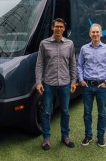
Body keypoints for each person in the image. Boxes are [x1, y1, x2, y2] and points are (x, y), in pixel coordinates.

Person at [35, 18, 77, 151]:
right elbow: (39, 64)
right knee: (46, 112)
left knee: (65, 112)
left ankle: (65, 137)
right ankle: (46, 139)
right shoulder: (44, 44)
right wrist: (38, 82)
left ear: (64, 29)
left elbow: (73, 64)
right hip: (48, 83)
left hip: (65, 83)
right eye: (56, 26)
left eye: (61, 27)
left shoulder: (70, 44)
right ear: (52, 28)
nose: (59, 29)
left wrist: (74, 81)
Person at [77, 23, 106, 148]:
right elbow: (79, 65)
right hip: (87, 85)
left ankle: (100, 136)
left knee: (102, 113)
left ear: (101, 33)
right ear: (90, 34)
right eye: (93, 32)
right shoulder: (84, 49)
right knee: (87, 112)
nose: (95, 34)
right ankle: (88, 135)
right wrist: (81, 79)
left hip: (101, 86)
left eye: (97, 32)